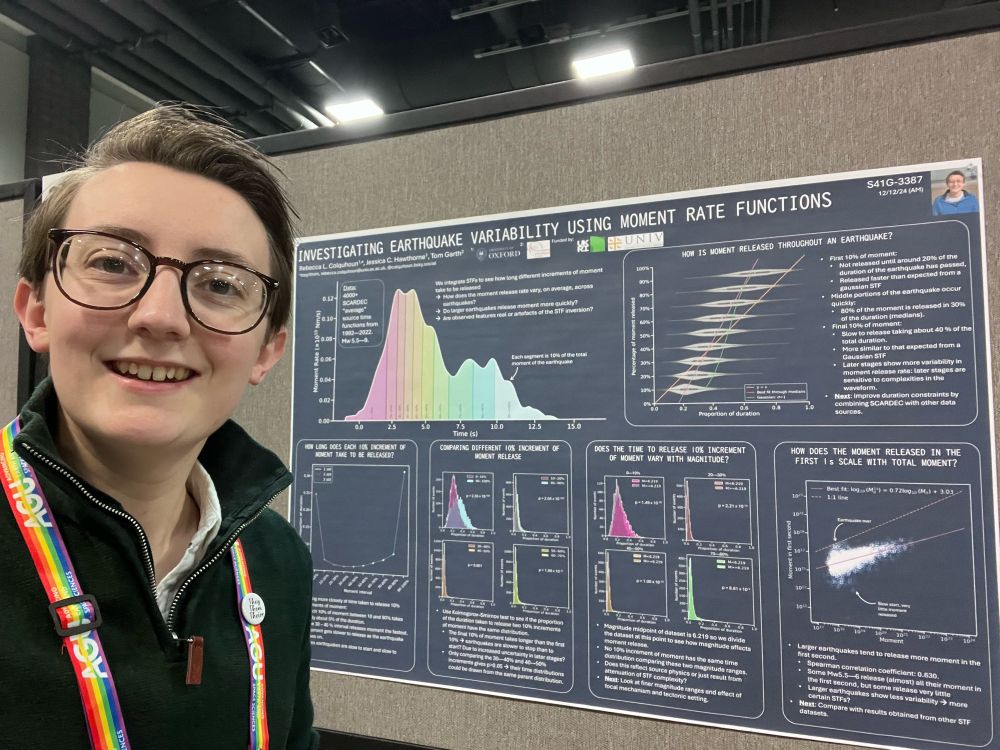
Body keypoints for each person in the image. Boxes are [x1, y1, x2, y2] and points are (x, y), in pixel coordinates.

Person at [2, 105, 318, 749]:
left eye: (221, 284)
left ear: (266, 350)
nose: (161, 317)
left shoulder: (277, 562)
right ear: (36, 309)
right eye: (114, 263)